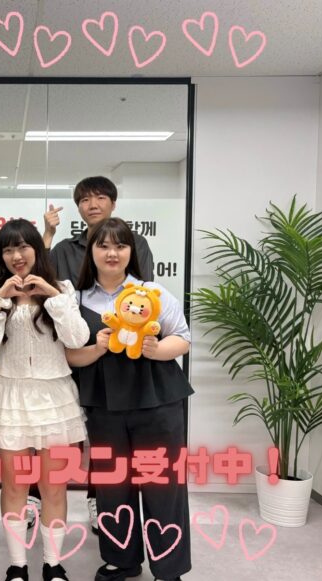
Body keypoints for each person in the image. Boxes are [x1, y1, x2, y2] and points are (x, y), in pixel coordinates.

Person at [65, 218, 193, 581]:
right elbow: (69, 355)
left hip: (158, 402)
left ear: (131, 252)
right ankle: (121, 560)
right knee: (112, 485)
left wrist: (157, 349)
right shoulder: (75, 299)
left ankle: (168, 567)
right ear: (90, 252)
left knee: (163, 485)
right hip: (103, 406)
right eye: (103, 245)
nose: (112, 253)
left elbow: (182, 338)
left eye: (120, 245)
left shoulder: (151, 292)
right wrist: (97, 347)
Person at [0, 220, 89, 581]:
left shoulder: (63, 288)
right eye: (8, 249)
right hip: (11, 396)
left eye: (23, 247)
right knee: (15, 485)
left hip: (54, 397)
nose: (16, 256)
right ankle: (17, 566)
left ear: (37, 250)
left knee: (54, 486)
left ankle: (53, 564)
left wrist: (51, 294)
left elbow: (77, 338)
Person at [40, 176, 156, 534]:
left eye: (100, 197)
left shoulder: (135, 243)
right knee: (57, 431)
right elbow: (42, 284)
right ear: (78, 207)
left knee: (106, 437)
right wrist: (47, 235)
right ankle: (40, 497)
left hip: (119, 353)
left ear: (113, 203)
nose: (93, 204)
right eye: (85, 199)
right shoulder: (64, 249)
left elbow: (144, 293)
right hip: (72, 351)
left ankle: (98, 498)